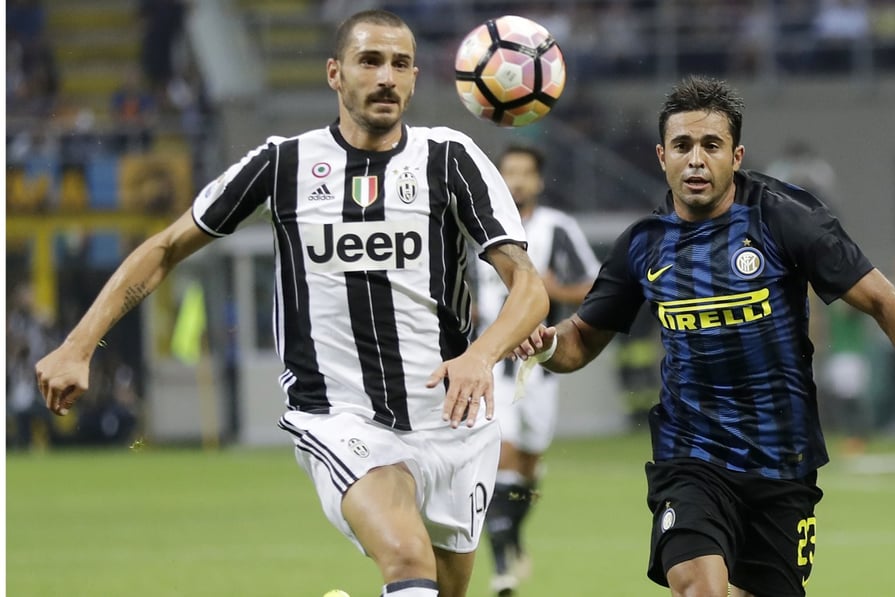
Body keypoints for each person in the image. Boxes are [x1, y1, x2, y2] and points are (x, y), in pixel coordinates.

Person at [34, 10, 549, 597]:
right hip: (340, 415)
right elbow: (165, 246)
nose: (386, 77)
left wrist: (481, 355)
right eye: (369, 61)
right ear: (335, 74)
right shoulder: (283, 164)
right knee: (408, 563)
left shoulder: (449, 159)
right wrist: (79, 346)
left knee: (441, 591)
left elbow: (527, 287)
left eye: (400, 64)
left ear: (413, 79)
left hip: (454, 420)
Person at [511, 75, 895, 597]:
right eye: (682, 146)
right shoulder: (642, 246)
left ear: (737, 154)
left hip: (782, 463)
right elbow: (579, 340)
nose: (696, 160)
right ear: (662, 155)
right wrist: (546, 343)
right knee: (700, 588)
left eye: (711, 145)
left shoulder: (786, 219)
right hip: (691, 458)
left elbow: (885, 305)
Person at [475, 144, 600, 596]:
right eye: (510, 172)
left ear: (539, 181)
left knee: (527, 465)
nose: (518, 181)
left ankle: (510, 533)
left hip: (541, 368)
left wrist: (553, 288)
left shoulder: (557, 228)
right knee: (502, 456)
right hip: (493, 362)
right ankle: (503, 562)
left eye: (526, 173)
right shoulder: (479, 226)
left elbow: (594, 286)